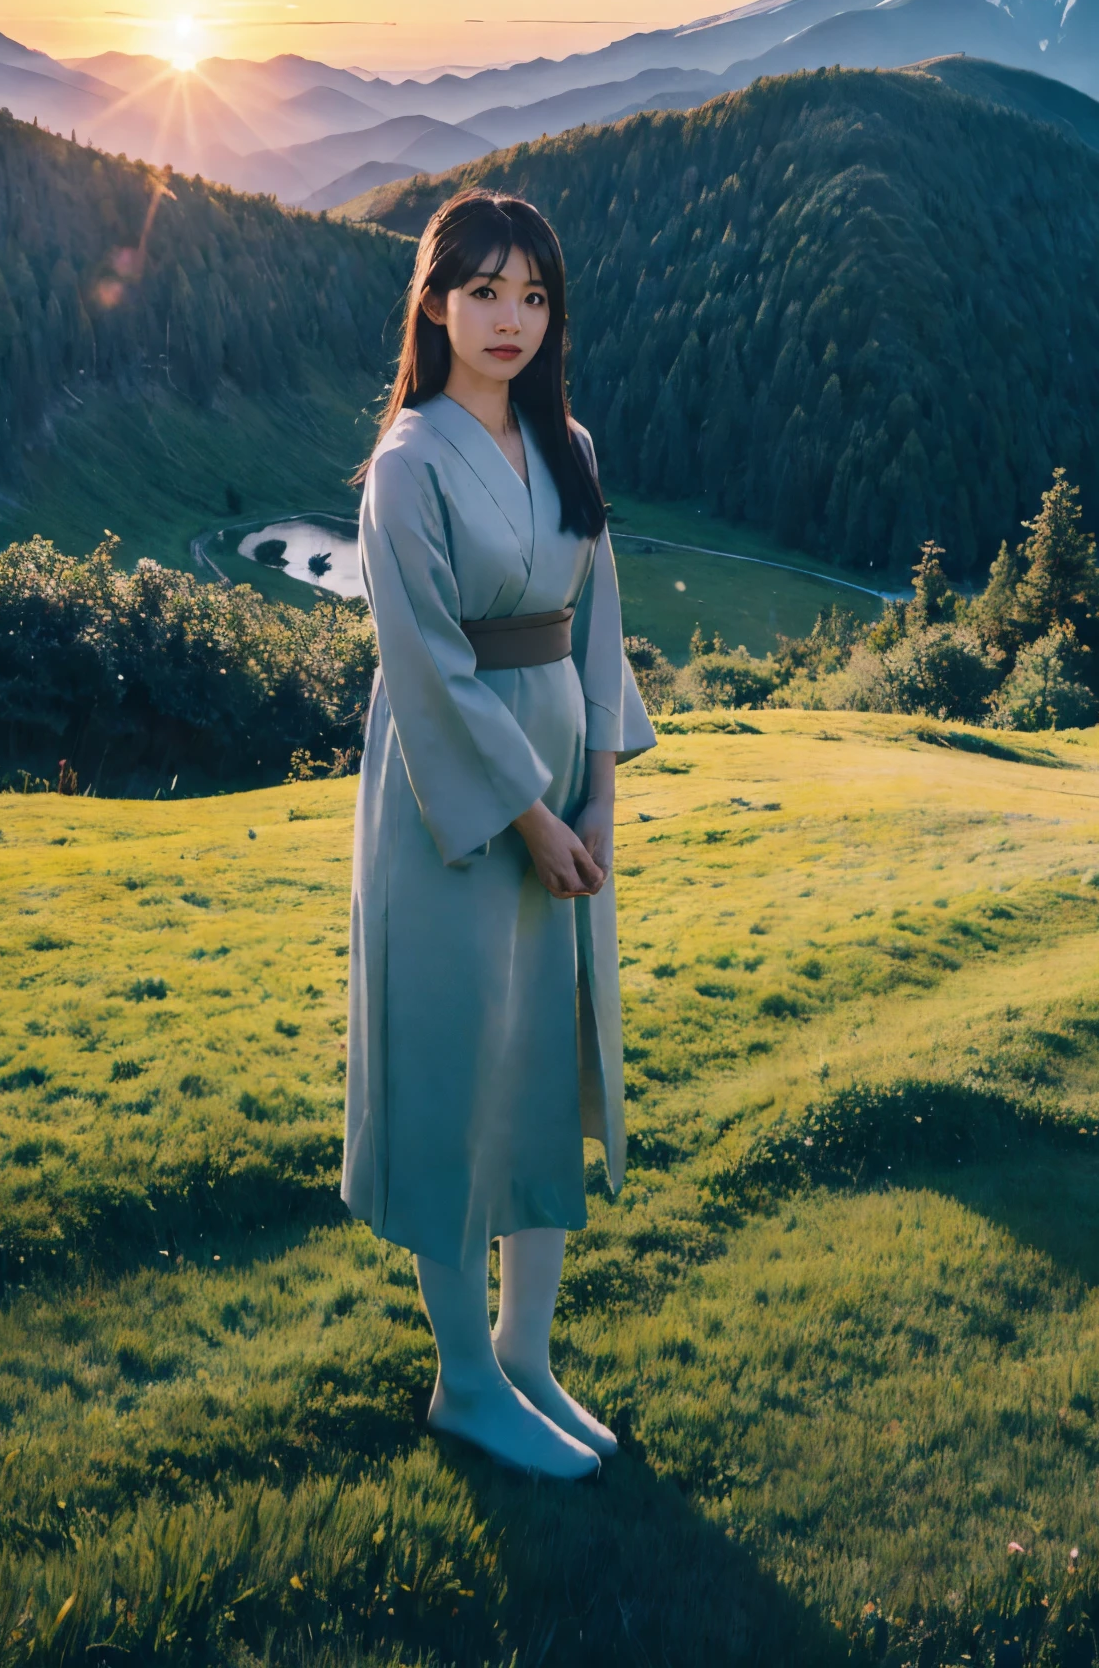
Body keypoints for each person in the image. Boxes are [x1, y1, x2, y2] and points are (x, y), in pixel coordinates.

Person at [342, 188, 655, 1481]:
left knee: (542, 1066)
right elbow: (424, 665)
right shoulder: (406, 465)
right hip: (454, 804)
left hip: (560, 797)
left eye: (533, 294)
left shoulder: (565, 442)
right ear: (433, 301)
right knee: (459, 1071)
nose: (510, 318)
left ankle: (527, 1356)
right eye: (483, 292)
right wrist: (528, 811)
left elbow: (598, 629)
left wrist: (595, 800)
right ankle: (463, 1379)